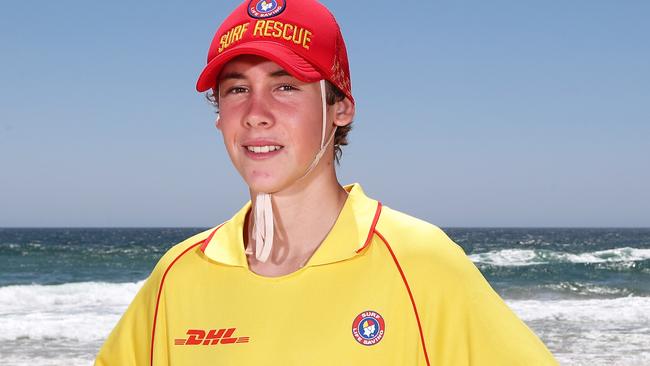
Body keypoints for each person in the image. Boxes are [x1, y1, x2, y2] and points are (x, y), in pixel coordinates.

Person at [95, 0, 558, 365]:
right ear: (219, 118)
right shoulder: (176, 278)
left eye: (286, 86)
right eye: (237, 89)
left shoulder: (418, 262)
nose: (256, 114)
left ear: (341, 108)